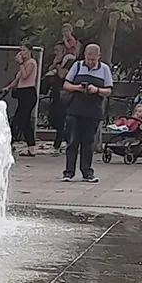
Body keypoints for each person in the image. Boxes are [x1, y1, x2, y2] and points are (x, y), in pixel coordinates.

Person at [62, 43, 113, 183]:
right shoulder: (77, 66)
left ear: (99, 57)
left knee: (88, 142)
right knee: (72, 142)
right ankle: (68, 172)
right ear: (84, 56)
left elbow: (108, 90)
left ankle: (87, 172)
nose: (90, 62)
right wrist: (78, 88)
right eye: (88, 59)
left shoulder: (104, 69)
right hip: (75, 110)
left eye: (93, 60)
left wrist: (96, 90)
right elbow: (66, 85)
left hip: (93, 111)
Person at [3, 43, 39, 156]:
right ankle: (29, 146)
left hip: (29, 93)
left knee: (21, 119)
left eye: (24, 50)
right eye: (21, 50)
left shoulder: (31, 63)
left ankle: (15, 143)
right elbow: (18, 79)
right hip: (22, 94)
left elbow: (24, 76)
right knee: (23, 120)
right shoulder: (23, 65)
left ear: (29, 51)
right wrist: (8, 88)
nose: (21, 53)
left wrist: (21, 63)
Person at [47, 53, 75, 154]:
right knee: (56, 120)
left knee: (62, 122)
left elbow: (62, 75)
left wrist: (59, 65)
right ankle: (65, 141)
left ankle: (59, 144)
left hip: (63, 98)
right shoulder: (58, 65)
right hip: (56, 96)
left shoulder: (69, 65)